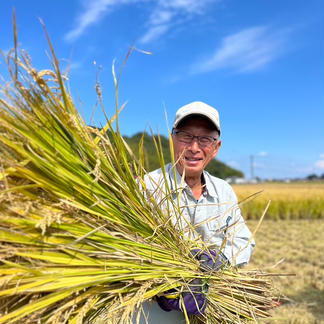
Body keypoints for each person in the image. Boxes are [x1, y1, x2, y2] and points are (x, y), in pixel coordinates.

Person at [142, 101, 255, 321]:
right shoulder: (146, 188)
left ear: (216, 147)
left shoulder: (224, 191)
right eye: (186, 136)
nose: (194, 147)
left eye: (205, 139)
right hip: (154, 316)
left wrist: (221, 259)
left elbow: (243, 240)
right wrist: (162, 286)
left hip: (211, 313)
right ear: (172, 139)